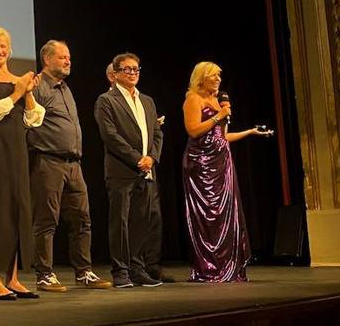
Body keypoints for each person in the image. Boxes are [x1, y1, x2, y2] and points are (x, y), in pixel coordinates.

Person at [29, 40, 112, 292]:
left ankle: (83, 272)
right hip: (48, 162)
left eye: (69, 58)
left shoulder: (65, 88)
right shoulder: (37, 86)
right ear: (47, 59)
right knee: (47, 221)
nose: (68, 61)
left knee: (82, 220)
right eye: (62, 57)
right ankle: (44, 274)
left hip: (74, 164)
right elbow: (30, 121)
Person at [0, 27, 45, 300]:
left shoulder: (18, 80)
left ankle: (13, 277)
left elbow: (34, 118)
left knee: (18, 207)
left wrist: (26, 93)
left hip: (17, 147)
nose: (0, 51)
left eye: (3, 46)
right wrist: (16, 92)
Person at [182, 62, 268, 283]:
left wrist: (250, 132)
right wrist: (218, 116)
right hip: (201, 163)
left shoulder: (218, 102)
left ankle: (226, 266)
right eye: (214, 76)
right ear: (202, 78)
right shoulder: (194, 99)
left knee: (224, 214)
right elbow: (193, 130)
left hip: (222, 162)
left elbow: (223, 137)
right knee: (208, 215)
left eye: (220, 76)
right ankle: (209, 267)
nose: (219, 80)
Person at [94, 52, 165, 289]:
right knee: (121, 222)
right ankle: (120, 271)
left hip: (146, 170)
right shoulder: (106, 100)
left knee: (141, 222)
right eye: (127, 69)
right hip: (122, 171)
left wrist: (152, 158)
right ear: (115, 74)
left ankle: (137, 268)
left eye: (136, 69)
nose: (133, 73)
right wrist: (137, 159)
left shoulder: (147, 101)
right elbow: (110, 136)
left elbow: (156, 133)